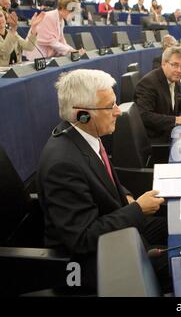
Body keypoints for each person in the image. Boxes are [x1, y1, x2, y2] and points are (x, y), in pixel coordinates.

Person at [37, 69, 168, 291]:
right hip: (92, 262)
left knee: (176, 226)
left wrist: (124, 194)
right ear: (82, 114)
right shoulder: (63, 164)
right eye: (110, 106)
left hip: (117, 228)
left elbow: (102, 179)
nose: (118, 111)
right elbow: (82, 239)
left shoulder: (84, 135)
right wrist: (137, 209)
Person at [134, 46, 181, 143]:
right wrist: (176, 120)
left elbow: (169, 100)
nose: (179, 70)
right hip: (156, 140)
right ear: (163, 64)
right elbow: (145, 116)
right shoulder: (149, 83)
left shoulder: (172, 79)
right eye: (174, 65)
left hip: (170, 132)